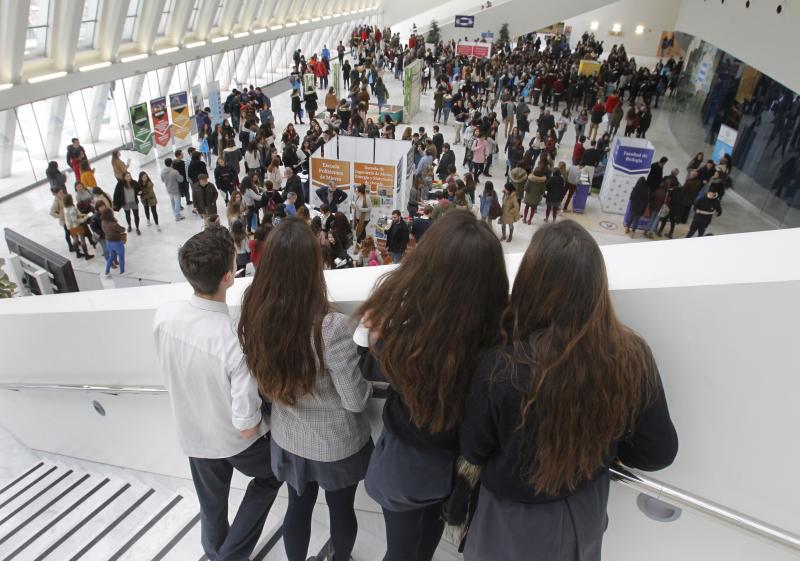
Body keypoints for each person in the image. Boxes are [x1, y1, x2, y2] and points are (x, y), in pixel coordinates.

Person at [460, 220, 678, 561]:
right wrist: (603, 447)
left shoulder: (502, 366)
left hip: (512, 518)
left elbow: (474, 450)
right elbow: (658, 452)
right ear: (596, 286)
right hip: (584, 509)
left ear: (531, 283)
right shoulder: (632, 356)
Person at [356, 210, 509, 561]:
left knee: (402, 550)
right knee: (423, 543)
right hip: (455, 471)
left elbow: (373, 367)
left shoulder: (411, 332)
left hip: (406, 467)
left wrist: (374, 336)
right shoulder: (497, 340)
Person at [238, 218, 372, 561]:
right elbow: (355, 401)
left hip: (288, 439)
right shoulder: (331, 327)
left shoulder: (255, 312)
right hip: (337, 444)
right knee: (341, 510)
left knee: (297, 507)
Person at [153, 226, 282, 561]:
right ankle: (230, 557)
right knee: (273, 475)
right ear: (229, 276)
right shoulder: (232, 339)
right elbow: (247, 426)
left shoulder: (164, 317)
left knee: (212, 505)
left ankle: (214, 553)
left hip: (193, 435)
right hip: (234, 441)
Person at [62, 194, 94, 260]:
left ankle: (78, 253)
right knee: (82, 240)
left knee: (75, 239)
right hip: (77, 226)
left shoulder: (65, 208)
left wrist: (82, 215)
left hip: (70, 227)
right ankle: (86, 255)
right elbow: (75, 220)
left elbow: (76, 215)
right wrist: (85, 218)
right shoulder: (72, 209)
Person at [101, 207, 126, 277]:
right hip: (117, 243)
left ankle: (107, 271)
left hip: (108, 242)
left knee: (111, 257)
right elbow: (122, 230)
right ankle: (122, 272)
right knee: (121, 258)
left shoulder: (103, 222)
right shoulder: (113, 224)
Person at [49, 187, 76, 253]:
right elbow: (51, 212)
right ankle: (70, 246)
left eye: (62, 192)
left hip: (69, 217)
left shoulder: (64, 196)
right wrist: (60, 216)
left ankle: (75, 242)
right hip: (64, 220)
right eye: (60, 193)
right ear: (56, 194)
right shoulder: (56, 201)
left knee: (71, 231)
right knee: (68, 233)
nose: (62, 193)